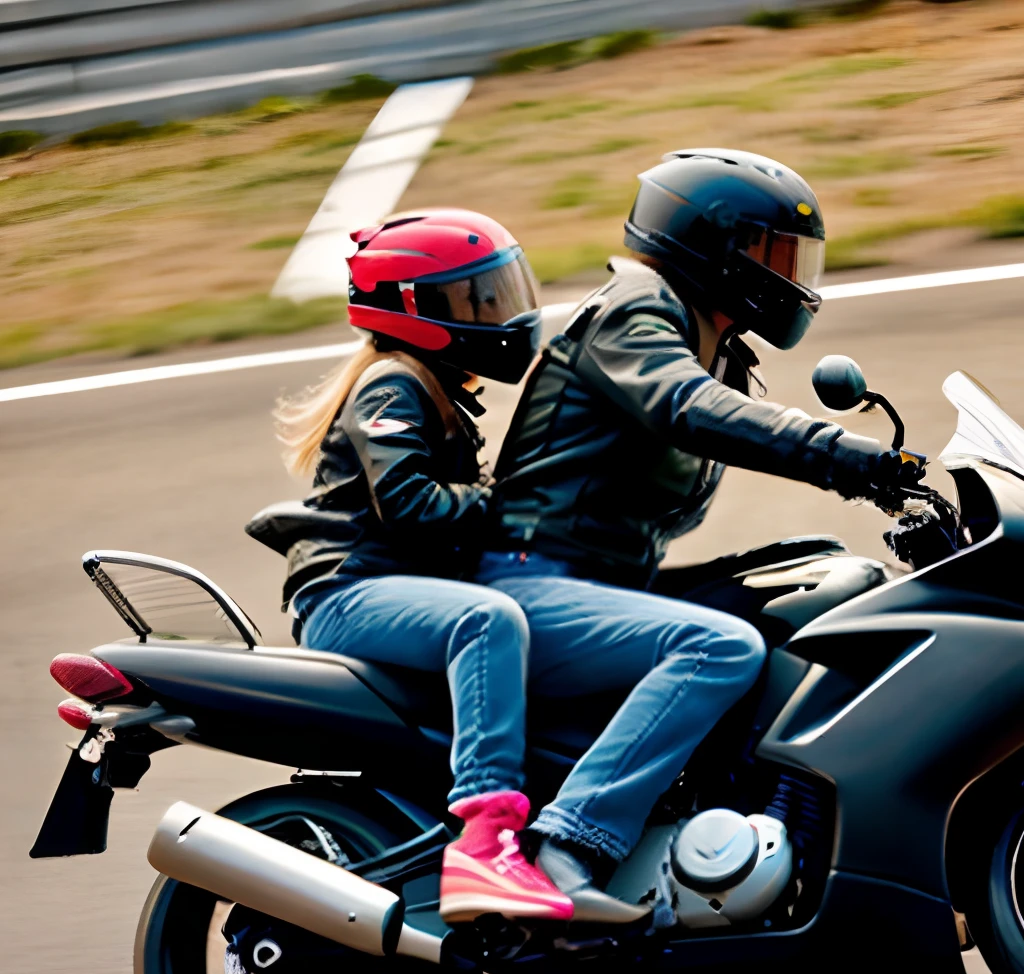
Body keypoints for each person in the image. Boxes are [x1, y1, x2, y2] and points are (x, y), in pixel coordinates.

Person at [481, 149, 926, 920]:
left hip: (601, 580)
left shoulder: (711, 339)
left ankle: (759, 817)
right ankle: (570, 846)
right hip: (535, 579)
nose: (786, 275)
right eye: (768, 253)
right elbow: (690, 409)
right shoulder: (633, 313)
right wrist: (846, 459)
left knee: (816, 577)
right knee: (722, 647)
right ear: (707, 246)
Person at [246, 208, 572, 924]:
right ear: (414, 312)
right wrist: (507, 505)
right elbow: (409, 503)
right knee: (488, 622)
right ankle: (487, 835)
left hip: (390, 590)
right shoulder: (393, 385)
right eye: (477, 300)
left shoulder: (437, 391)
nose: (502, 313)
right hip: (349, 594)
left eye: (501, 293)